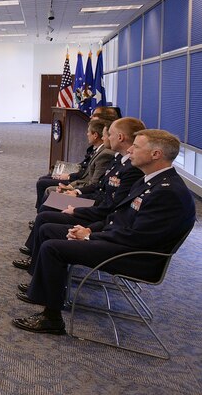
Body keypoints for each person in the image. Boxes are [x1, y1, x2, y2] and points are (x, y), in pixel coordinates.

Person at [12, 129, 196, 335]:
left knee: (53, 248)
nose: (131, 150)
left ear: (156, 155)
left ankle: (52, 318)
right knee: (49, 229)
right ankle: (45, 292)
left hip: (138, 257)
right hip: (121, 241)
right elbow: (117, 217)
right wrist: (90, 229)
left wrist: (90, 235)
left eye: (137, 146)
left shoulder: (167, 192)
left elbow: (138, 237)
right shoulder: (150, 180)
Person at [15, 118, 145, 269]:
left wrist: (77, 206)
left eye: (109, 134)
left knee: (46, 215)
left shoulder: (129, 167)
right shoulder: (118, 160)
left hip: (99, 211)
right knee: (50, 203)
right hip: (95, 203)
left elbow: (110, 204)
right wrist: (76, 193)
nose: (106, 138)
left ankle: (36, 262)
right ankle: (35, 256)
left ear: (120, 137)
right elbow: (100, 187)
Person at [34, 119, 114, 210]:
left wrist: (73, 187)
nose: (87, 134)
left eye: (88, 132)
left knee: (47, 190)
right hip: (82, 185)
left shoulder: (105, 154)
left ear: (95, 135)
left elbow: (93, 183)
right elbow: (85, 168)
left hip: (86, 191)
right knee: (47, 183)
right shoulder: (98, 150)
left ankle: (40, 216)